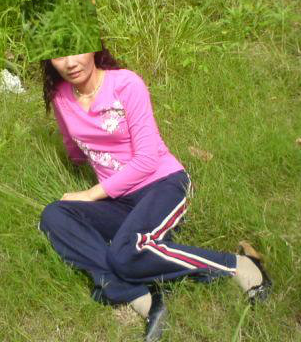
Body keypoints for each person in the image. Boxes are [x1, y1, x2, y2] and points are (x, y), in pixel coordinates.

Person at [38, 42, 272, 341]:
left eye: (77, 50)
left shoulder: (126, 84)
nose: (70, 62)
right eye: (59, 55)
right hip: (117, 200)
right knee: (54, 215)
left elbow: (147, 159)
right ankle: (138, 295)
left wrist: (91, 193)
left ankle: (237, 265)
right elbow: (74, 148)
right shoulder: (61, 96)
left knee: (126, 253)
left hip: (162, 184)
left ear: (94, 47)